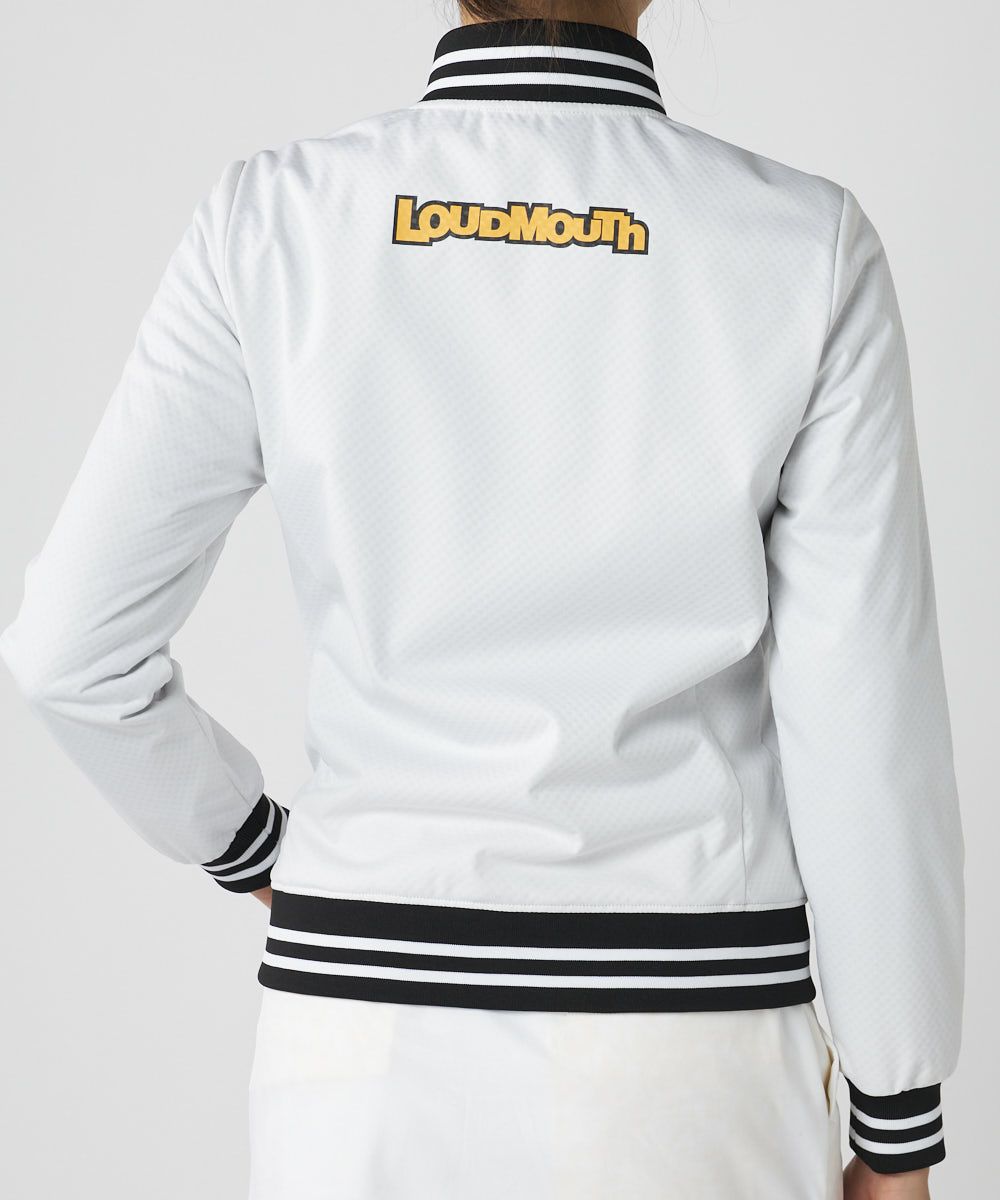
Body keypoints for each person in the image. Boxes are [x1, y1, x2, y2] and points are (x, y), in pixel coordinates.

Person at [0, 1, 965, 1197]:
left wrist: (247, 841)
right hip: (687, 1042)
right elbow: (865, 717)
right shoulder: (805, 245)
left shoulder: (274, 218)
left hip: (358, 1045)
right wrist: (896, 1113)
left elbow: (68, 649)